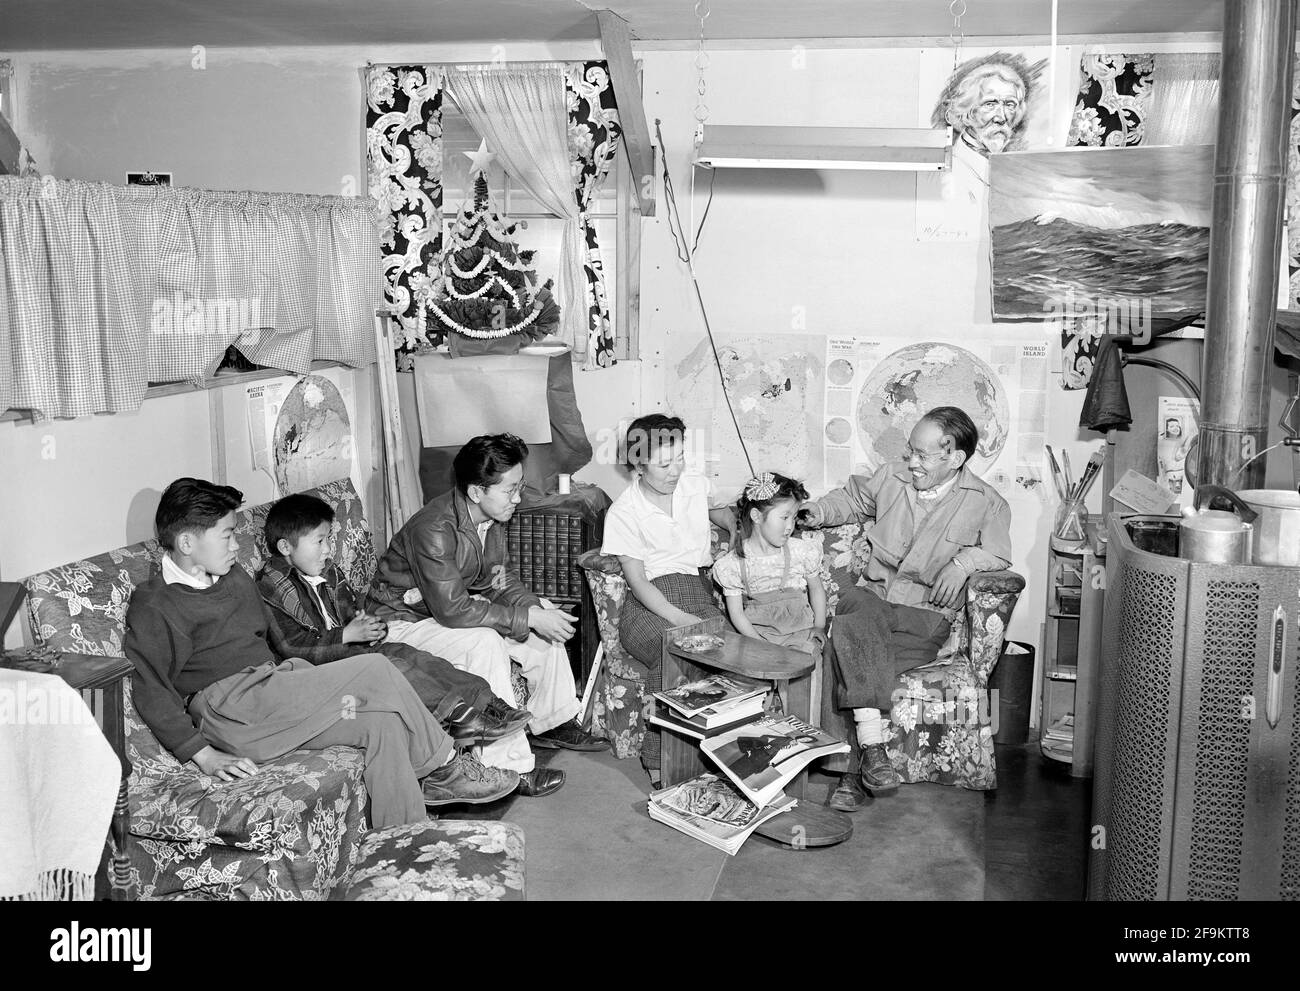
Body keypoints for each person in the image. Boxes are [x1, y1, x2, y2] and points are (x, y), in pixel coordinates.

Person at [124, 478, 518, 830]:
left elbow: (268, 642)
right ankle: (445, 767)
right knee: (374, 670)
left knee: (381, 723)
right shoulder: (156, 604)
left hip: (276, 696)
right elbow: (150, 689)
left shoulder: (233, 577)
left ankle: (403, 840)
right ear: (187, 543)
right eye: (226, 536)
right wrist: (204, 756)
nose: (235, 546)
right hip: (234, 711)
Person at [368, 434, 608, 799]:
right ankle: (507, 767)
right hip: (401, 623)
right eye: (510, 490)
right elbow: (453, 611)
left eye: (519, 487)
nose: (517, 498)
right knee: (485, 641)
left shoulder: (490, 519)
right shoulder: (433, 528)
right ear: (477, 491)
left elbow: (499, 577)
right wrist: (523, 619)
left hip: (439, 612)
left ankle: (553, 721)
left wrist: (531, 608)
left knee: (540, 609)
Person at [799, 407, 1011, 812]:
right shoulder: (891, 477)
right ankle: (862, 764)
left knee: (848, 653)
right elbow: (850, 500)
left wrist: (963, 563)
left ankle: (853, 767)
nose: (911, 462)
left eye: (923, 455)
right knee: (856, 616)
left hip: (923, 617)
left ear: (955, 457)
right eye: (910, 452)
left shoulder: (988, 503)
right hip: (872, 599)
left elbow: (999, 553)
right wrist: (815, 513)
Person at [256, 493, 532, 751]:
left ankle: (488, 704)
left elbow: (352, 612)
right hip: (318, 674)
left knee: (416, 657)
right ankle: (457, 716)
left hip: (352, 652)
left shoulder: (329, 572)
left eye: (329, 539)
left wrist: (370, 627)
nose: (328, 550)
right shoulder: (272, 586)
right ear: (285, 547)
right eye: (319, 541)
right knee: (392, 666)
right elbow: (291, 648)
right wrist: (345, 636)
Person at [601, 414, 738, 783]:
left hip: (698, 593)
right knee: (674, 650)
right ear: (638, 464)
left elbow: (719, 511)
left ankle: (720, 756)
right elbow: (639, 583)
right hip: (649, 605)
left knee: (728, 660)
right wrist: (680, 620)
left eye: (680, 458)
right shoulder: (623, 511)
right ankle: (658, 757)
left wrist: (735, 534)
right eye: (664, 463)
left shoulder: (693, 483)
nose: (675, 470)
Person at [711, 472, 827, 655]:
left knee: (806, 664)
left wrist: (819, 626)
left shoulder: (801, 551)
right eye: (784, 517)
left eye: (793, 517)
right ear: (757, 516)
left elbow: (816, 588)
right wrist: (759, 645)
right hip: (758, 637)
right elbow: (737, 614)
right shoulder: (733, 565)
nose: (790, 526)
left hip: (801, 634)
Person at [931, 52, 1037, 156]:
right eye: (990, 104)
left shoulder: (1009, 164)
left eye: (1009, 104)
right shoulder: (954, 167)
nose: (1001, 118)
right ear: (966, 114)